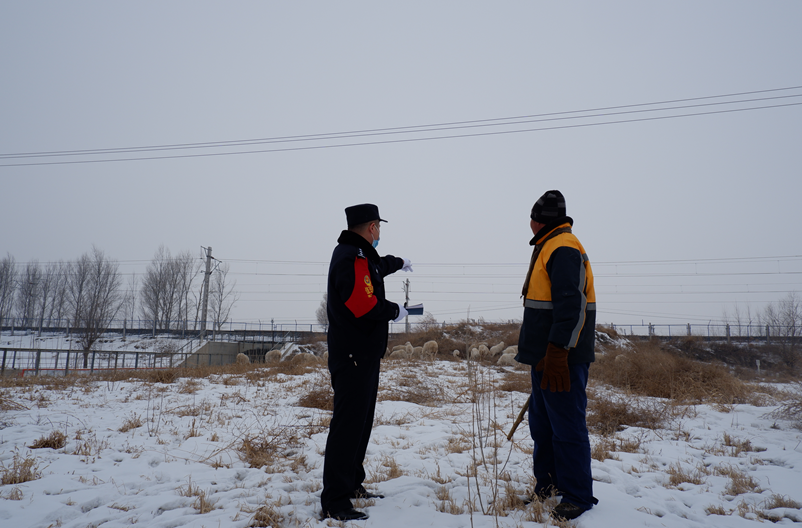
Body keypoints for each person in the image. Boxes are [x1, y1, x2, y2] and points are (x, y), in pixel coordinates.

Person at [321, 203, 412, 521]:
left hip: (364, 355)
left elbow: (377, 268)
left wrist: (399, 263)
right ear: (372, 227)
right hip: (353, 356)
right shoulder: (351, 257)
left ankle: (351, 484)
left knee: (360, 424)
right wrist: (394, 310)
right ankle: (335, 499)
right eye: (378, 227)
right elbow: (363, 303)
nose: (379, 233)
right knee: (348, 427)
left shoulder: (360, 255)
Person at [514, 190, 598, 521]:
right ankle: (547, 486)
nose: (529, 223)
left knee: (567, 426)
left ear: (540, 220)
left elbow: (570, 304)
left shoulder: (562, 246)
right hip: (544, 358)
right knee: (544, 425)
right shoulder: (550, 243)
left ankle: (577, 494)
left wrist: (559, 351)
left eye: (532, 217)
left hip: (560, 358)